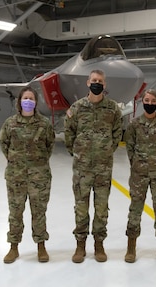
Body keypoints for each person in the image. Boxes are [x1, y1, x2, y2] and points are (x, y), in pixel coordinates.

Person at [64, 69, 122, 263]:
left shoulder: (113, 109)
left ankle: (99, 244)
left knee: (101, 208)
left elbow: (117, 134)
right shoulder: (78, 107)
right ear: (88, 83)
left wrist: (105, 152)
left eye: (100, 81)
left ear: (104, 85)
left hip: (103, 168)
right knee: (81, 208)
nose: (97, 83)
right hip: (81, 169)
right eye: (94, 80)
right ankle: (80, 245)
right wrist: (78, 153)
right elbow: (69, 133)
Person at [0, 86, 55, 264]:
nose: (28, 101)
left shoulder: (44, 124)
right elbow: (4, 143)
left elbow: (49, 145)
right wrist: (15, 161)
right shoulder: (10, 123)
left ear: (36, 102)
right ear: (20, 101)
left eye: (31, 98)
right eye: (25, 98)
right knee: (15, 212)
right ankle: (13, 247)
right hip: (16, 176)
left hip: (39, 176)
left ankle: (41, 246)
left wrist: (37, 163)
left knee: (39, 212)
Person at [123, 89, 156, 263]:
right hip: (139, 173)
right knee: (135, 209)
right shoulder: (134, 124)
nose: (150, 103)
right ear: (142, 101)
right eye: (147, 100)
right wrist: (138, 163)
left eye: (153, 101)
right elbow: (129, 146)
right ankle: (131, 246)